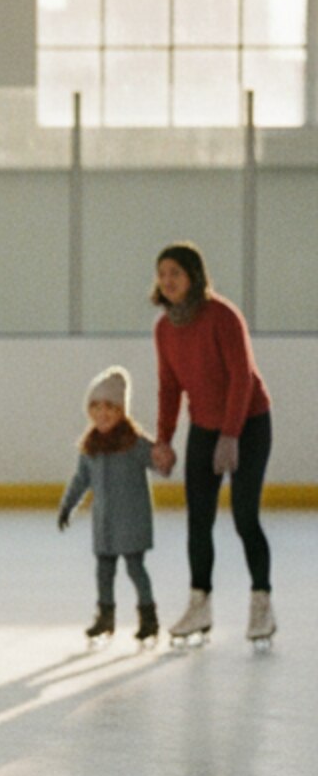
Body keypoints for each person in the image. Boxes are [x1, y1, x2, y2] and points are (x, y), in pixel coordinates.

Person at [149, 242, 276, 647]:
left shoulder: (222, 316)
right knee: (198, 520)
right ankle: (199, 604)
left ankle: (261, 603)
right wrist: (164, 440)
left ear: (194, 277)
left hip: (249, 424)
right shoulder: (164, 328)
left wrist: (232, 436)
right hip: (204, 427)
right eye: (163, 273)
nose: (168, 281)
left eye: (176, 273)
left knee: (244, 517)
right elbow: (170, 388)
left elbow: (242, 377)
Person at [58, 366, 158, 647]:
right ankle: (105, 618)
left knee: (136, 569)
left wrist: (164, 453)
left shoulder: (134, 443)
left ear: (121, 411)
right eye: (96, 407)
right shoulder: (91, 446)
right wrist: (67, 506)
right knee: (104, 571)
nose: (103, 414)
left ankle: (148, 618)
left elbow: (159, 462)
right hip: (105, 524)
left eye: (110, 408)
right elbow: (81, 480)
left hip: (132, 522)